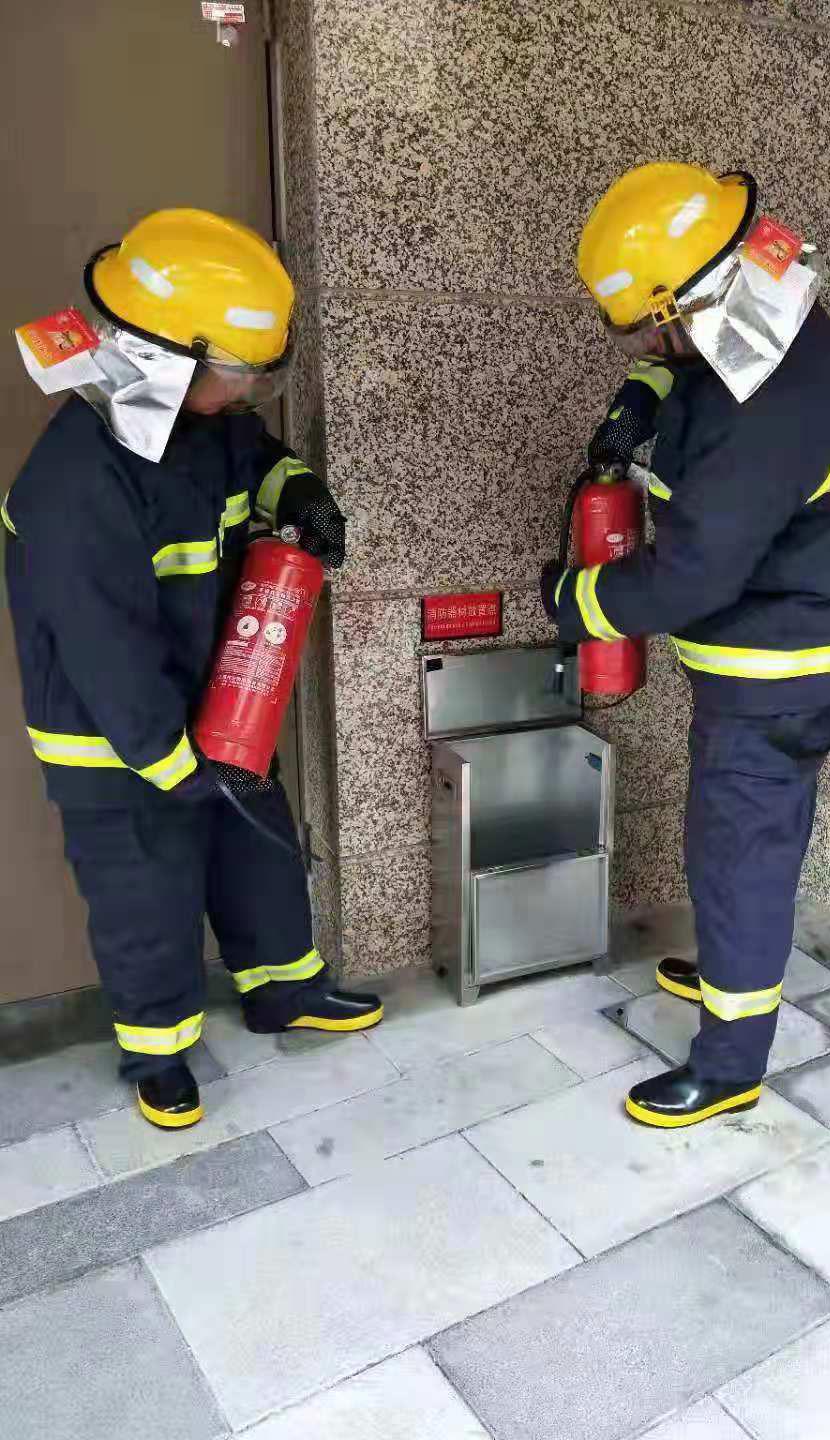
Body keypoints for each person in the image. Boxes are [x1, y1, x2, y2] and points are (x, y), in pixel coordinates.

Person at [4, 209, 382, 1131]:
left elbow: (255, 459)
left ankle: (284, 990)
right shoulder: (73, 482)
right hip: (119, 744)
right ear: (162, 362)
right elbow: (106, 653)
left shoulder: (197, 426)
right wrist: (177, 766)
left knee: (259, 853)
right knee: (148, 896)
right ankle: (160, 1052)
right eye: (236, 371)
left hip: (215, 704)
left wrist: (303, 494)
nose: (246, 389)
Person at [543, 164, 830, 1128]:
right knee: (752, 839)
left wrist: (575, 602)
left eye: (647, 333)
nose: (645, 347)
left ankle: (730, 1062)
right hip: (800, 647)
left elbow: (691, 580)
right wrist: (644, 393)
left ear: (685, 304)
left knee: (738, 855)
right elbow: (692, 367)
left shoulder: (764, 412)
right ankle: (740, 957)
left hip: (777, 674)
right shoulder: (766, 308)